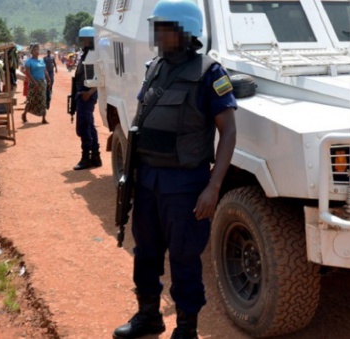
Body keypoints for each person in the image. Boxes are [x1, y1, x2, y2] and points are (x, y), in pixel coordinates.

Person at [112, 1, 237, 338]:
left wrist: (213, 187)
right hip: (148, 181)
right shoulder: (154, 67)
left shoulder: (209, 73)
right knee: (145, 253)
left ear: (184, 32)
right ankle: (148, 316)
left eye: (163, 27)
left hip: (185, 186)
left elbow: (228, 131)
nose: (156, 34)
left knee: (184, 258)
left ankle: (186, 329)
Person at [72, 26, 102, 171]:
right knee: (89, 125)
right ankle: (95, 157)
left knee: (84, 126)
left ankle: (86, 158)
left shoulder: (94, 55)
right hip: (83, 93)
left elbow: (102, 76)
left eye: (86, 40)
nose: (84, 42)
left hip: (87, 94)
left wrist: (89, 92)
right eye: (83, 40)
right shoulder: (87, 54)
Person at [22, 44, 52, 124]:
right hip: (33, 83)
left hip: (42, 83)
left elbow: (45, 71)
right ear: (31, 52)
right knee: (31, 100)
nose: (36, 52)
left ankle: (43, 118)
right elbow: (28, 72)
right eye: (34, 50)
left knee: (43, 100)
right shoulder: (29, 61)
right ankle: (24, 114)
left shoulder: (42, 60)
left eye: (37, 50)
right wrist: (34, 82)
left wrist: (48, 80)